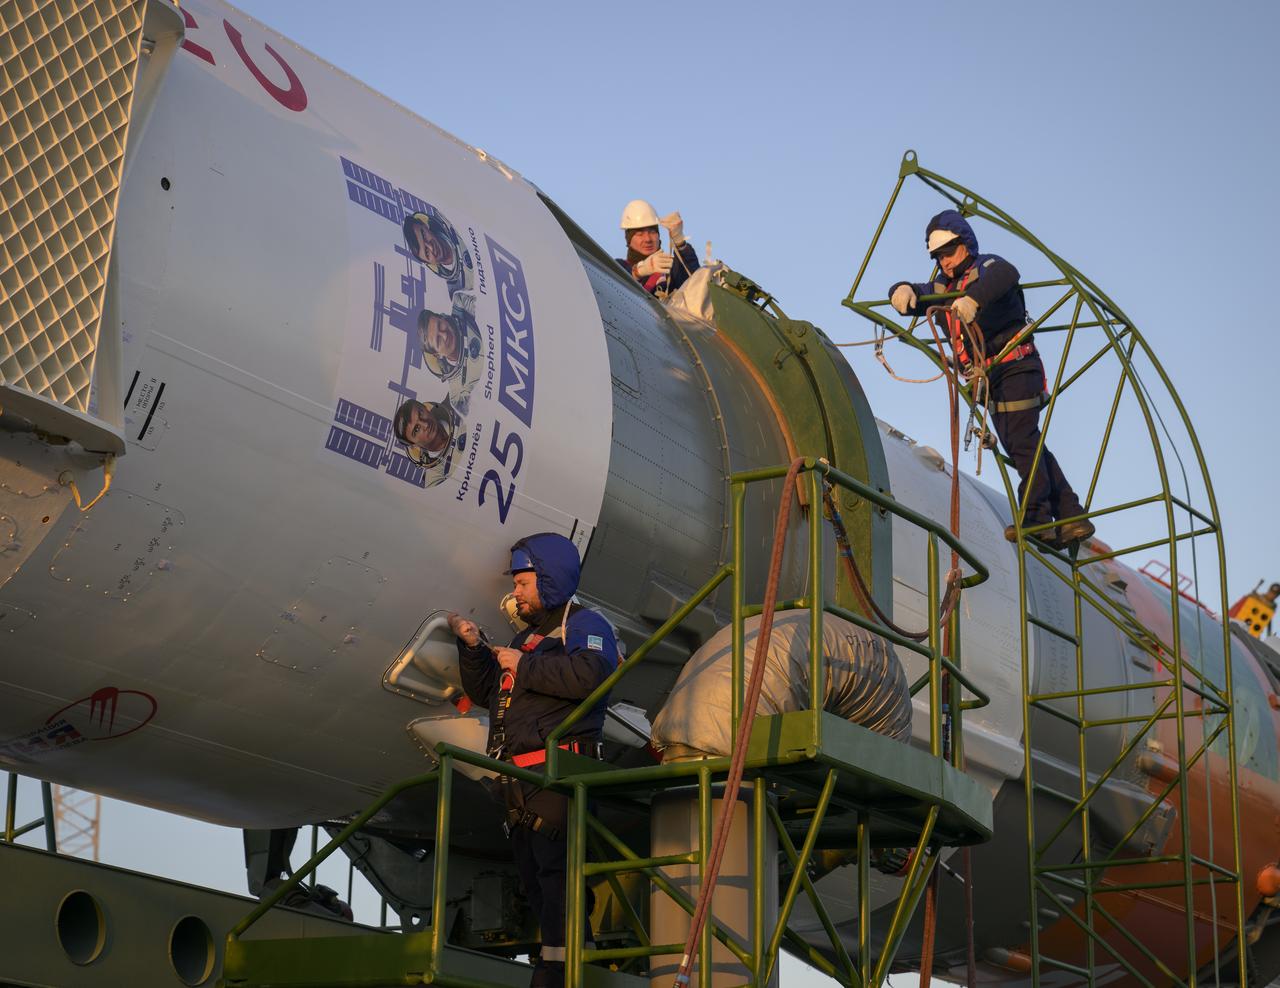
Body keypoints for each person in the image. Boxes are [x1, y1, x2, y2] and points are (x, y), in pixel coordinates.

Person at [448, 533, 619, 988]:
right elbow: (491, 693)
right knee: (536, 881)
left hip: (558, 778)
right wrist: (472, 649)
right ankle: (555, 965)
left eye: (523, 583)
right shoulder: (527, 639)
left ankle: (561, 972)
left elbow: (591, 675)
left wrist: (521, 665)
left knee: (557, 877)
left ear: (550, 580)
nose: (516, 592)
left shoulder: (585, 625)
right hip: (520, 781)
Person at [889, 210, 1095, 548]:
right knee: (1023, 443)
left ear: (966, 245)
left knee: (1021, 441)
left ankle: (1037, 518)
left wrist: (973, 299)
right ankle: (1071, 514)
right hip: (991, 379)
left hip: (1016, 368)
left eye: (949, 252)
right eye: (939, 257)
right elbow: (920, 293)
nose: (945, 262)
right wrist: (900, 290)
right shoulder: (943, 287)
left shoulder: (988, 269)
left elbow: (1006, 274)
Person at [616, 199, 698, 296]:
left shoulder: (671, 271)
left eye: (652, 232)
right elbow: (615, 287)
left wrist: (680, 243)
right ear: (629, 240)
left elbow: (695, 281)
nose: (648, 239)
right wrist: (638, 271)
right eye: (640, 234)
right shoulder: (618, 266)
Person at [417, 292, 482, 413]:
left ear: (443, 318)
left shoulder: (461, 305)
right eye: (438, 340)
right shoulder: (457, 396)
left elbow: (487, 307)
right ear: (437, 355)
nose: (444, 335)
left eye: (440, 325)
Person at [392, 395, 464, 487]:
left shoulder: (456, 401)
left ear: (426, 408)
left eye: (421, 413)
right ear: (413, 445)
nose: (425, 424)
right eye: (416, 429)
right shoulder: (434, 479)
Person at [402, 208, 475, 295]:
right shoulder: (457, 290)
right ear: (428, 263)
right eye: (426, 253)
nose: (431, 247)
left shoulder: (451, 220)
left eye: (424, 236)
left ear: (425, 226)